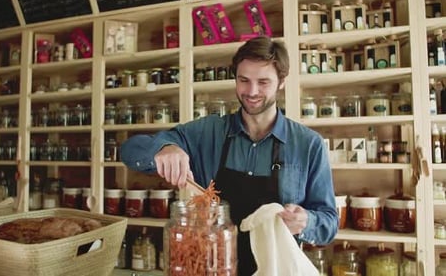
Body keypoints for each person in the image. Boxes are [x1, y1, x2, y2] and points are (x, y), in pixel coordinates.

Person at [120, 36, 338, 275]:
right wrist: (163, 149)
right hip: (210, 266)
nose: (252, 92)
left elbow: (328, 223)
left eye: (263, 82)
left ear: (282, 82)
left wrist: (306, 221)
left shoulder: (308, 144)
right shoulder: (207, 132)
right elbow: (131, 150)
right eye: (243, 80)